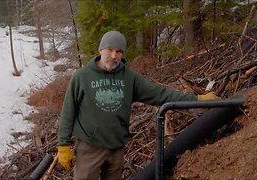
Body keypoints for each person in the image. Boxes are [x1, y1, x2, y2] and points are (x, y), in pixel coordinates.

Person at [57, 31, 219, 180]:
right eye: (110, 50)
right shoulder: (82, 76)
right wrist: (63, 145)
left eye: (119, 51)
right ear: (101, 50)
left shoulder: (129, 78)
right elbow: (68, 111)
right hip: (89, 148)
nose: (114, 55)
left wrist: (197, 99)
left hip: (116, 147)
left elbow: (161, 94)